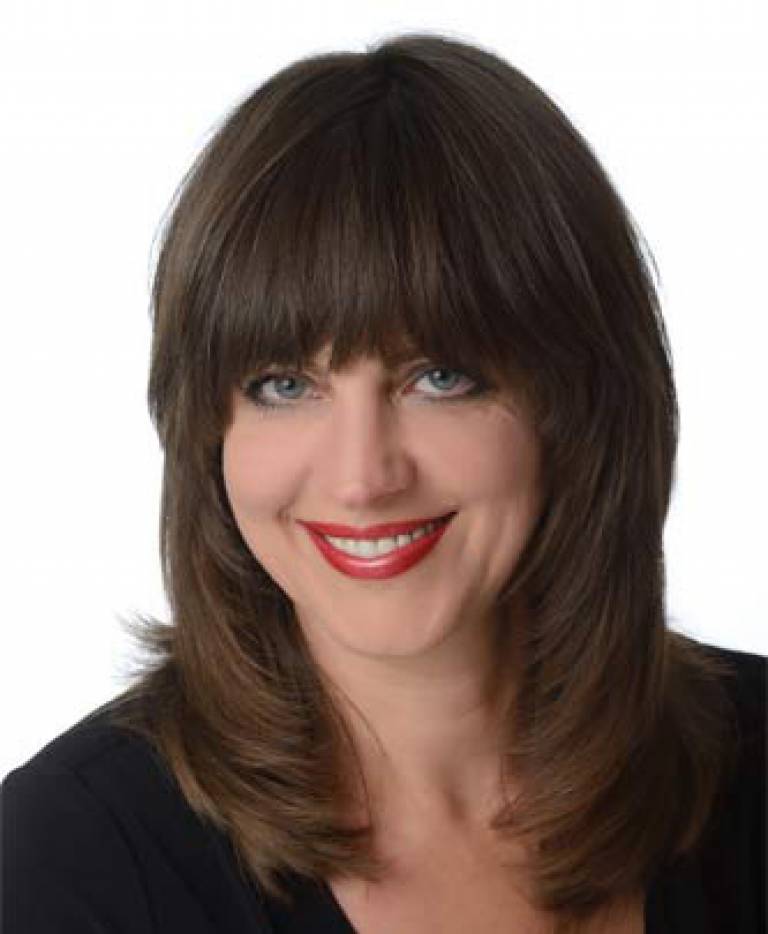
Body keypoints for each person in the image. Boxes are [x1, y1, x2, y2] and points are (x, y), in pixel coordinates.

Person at [1, 32, 764, 934]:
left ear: (584, 400)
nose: (363, 477)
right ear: (205, 428)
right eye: (284, 385)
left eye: (439, 377)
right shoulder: (71, 862)